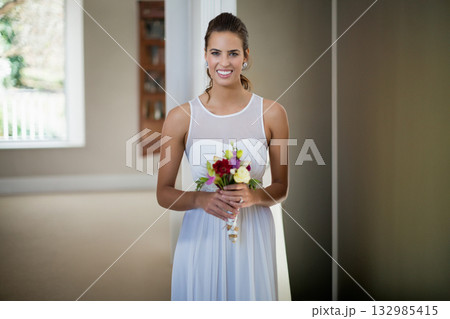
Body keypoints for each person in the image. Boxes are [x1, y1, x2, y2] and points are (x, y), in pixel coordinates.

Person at [156, 12, 289, 301]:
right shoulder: (180, 118)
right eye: (216, 52)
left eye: (233, 53)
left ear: (246, 57)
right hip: (201, 231)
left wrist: (255, 196)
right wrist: (200, 199)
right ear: (205, 56)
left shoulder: (273, 114)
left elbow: (281, 187)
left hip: (253, 234)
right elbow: (163, 193)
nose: (224, 62)